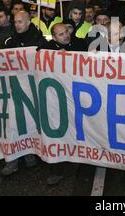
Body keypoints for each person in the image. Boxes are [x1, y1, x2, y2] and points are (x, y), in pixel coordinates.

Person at [40, 23, 87, 185]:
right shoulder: (47, 48)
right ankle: (56, 169)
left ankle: (77, 159)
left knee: (77, 129)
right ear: (54, 37)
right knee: (57, 133)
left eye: (66, 31)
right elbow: (36, 57)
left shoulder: (81, 43)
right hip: (56, 99)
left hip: (77, 97)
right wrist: (53, 56)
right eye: (60, 34)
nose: (65, 35)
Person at [2, 11, 46, 176]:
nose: (17, 24)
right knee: (13, 122)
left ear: (28, 22)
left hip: (33, 88)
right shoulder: (10, 41)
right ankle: (12, 160)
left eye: (20, 21)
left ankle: (29, 153)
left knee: (30, 121)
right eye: (15, 22)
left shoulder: (39, 40)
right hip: (15, 88)